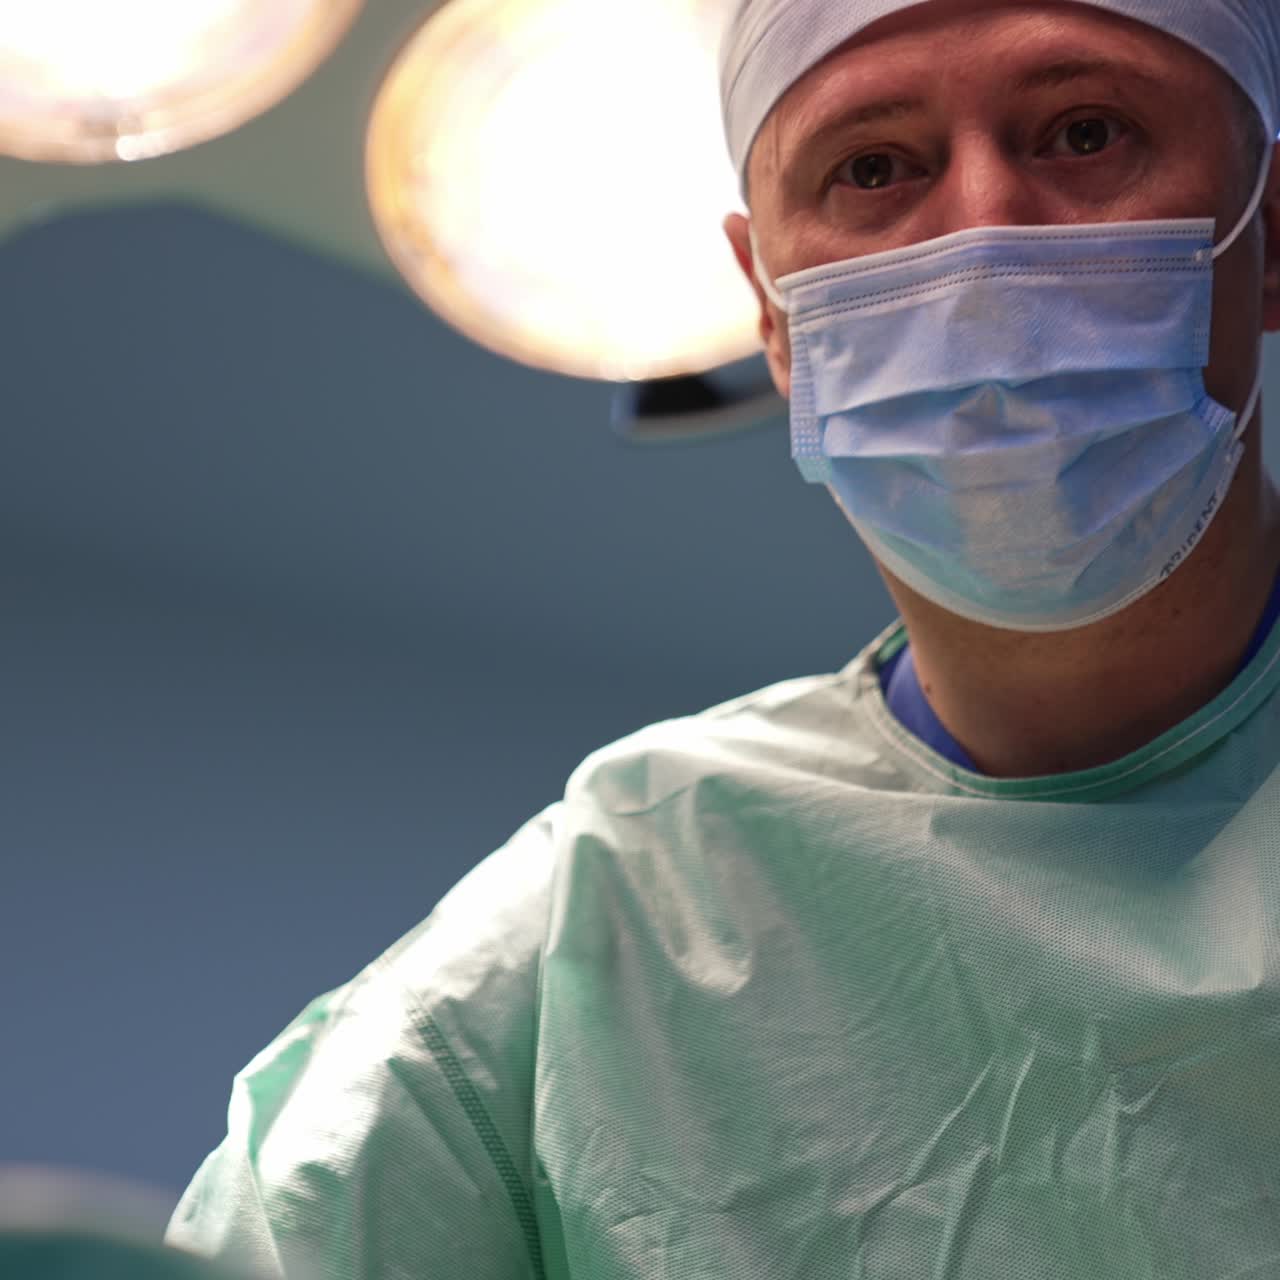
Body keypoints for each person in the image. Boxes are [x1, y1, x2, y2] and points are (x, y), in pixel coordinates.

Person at [166, 2, 1280, 1277]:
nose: (981, 229)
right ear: (771, 307)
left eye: (1086, 132)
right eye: (870, 168)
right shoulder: (616, 916)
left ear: (1271, 230)